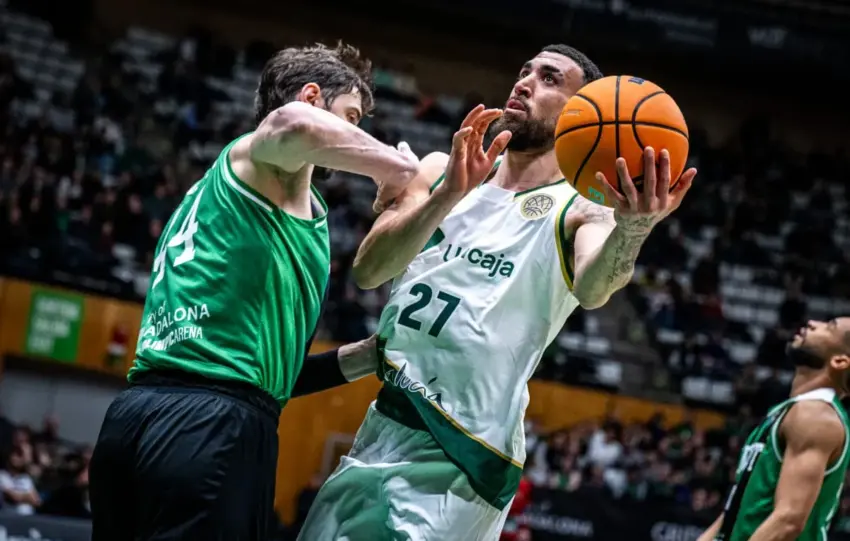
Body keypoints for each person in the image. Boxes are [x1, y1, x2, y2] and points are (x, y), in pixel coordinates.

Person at [297, 44, 698, 539]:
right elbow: (369, 271)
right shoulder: (443, 169)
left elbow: (596, 289)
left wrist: (634, 230)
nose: (525, 81)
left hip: (466, 451)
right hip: (386, 420)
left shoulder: (581, 210)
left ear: (585, 114)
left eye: (550, 78)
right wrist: (447, 195)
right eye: (525, 70)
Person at [88, 42, 419, 541]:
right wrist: (399, 169)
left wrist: (367, 356)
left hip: (135, 419)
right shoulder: (265, 163)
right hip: (212, 427)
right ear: (310, 97)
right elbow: (295, 127)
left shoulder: (223, 196)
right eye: (351, 118)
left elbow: (268, 377)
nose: (357, 134)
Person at [697, 317, 850, 541]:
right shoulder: (791, 411)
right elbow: (734, 511)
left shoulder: (816, 417)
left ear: (839, 361)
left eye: (829, 327)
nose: (812, 323)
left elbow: (788, 520)